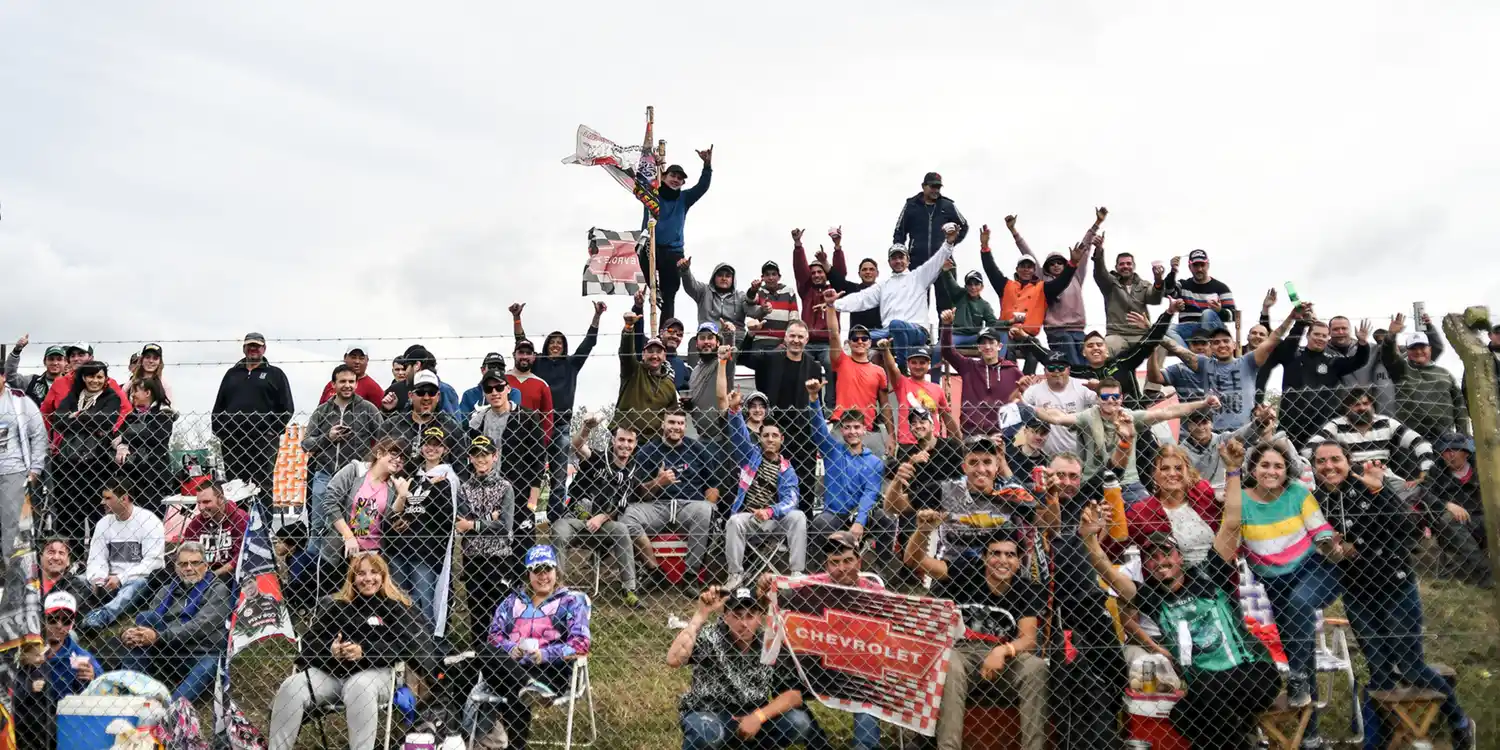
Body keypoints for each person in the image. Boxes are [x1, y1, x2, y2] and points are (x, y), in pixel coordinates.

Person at [1084, 440, 1284, 750]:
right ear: (1145, 564)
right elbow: (1108, 569)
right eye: (1154, 557)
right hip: (1210, 684)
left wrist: (1233, 469)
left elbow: (1232, 521)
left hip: (1251, 672)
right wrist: (1091, 538)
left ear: (1181, 556)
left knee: (1198, 698)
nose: (1162, 562)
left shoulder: (1211, 577)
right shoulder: (1154, 597)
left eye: (1168, 554)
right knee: (1185, 713)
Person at [1309, 441, 1476, 750]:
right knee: (1379, 671)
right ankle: (1375, 743)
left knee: (1411, 666)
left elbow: (1405, 529)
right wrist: (1336, 548)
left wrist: (1378, 493)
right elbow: (1324, 545)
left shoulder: (1370, 485)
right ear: (1314, 467)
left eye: (1336, 459)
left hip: (1395, 588)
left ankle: (1459, 720)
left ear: (1348, 462)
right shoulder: (1316, 501)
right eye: (1321, 461)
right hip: (1358, 595)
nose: (1329, 466)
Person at [268, 551, 437, 750]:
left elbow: (407, 645)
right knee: (292, 686)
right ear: (353, 578)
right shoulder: (338, 606)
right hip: (332, 674)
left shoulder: (396, 606)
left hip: (376, 674)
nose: (368, 579)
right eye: (361, 573)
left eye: (374, 573)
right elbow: (309, 642)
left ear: (383, 576)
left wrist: (364, 651)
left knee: (359, 686)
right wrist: (331, 650)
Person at [909, 520, 1047, 750]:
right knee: (948, 662)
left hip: (1005, 660)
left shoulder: (1025, 589)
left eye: (1010, 555)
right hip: (962, 653)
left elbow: (1029, 639)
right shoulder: (965, 573)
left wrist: (1003, 650)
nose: (1003, 560)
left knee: (1037, 667)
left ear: (1018, 560)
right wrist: (923, 528)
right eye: (996, 553)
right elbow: (915, 560)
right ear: (984, 557)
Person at [1237, 441, 1341, 741]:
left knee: (1299, 606)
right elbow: (1233, 538)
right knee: (1303, 655)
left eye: (1278, 466)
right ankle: (1311, 736)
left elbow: (1320, 530)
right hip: (1274, 584)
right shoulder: (1241, 500)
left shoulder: (1298, 493)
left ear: (1287, 471)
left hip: (1314, 570)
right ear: (1252, 469)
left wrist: (1332, 548)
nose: (1271, 471)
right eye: (1265, 465)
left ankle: (1296, 678)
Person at [469, 545, 593, 750]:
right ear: (529, 574)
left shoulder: (570, 601)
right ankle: (528, 686)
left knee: (511, 686)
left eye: (548, 569)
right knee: (484, 650)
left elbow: (580, 643)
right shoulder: (512, 602)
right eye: (537, 570)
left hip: (549, 671)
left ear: (556, 571)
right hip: (514, 666)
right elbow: (494, 636)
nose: (543, 576)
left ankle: (517, 745)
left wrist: (544, 654)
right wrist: (511, 648)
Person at [667, 586, 816, 750]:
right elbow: (673, 659)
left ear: (759, 618)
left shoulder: (769, 645)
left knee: (798, 721)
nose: (743, 624)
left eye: (750, 616)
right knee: (707, 733)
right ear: (725, 617)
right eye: (736, 616)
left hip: (753, 713)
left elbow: (793, 695)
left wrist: (758, 717)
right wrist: (700, 615)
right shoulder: (710, 636)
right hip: (710, 712)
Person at [1032, 377, 1220, 501]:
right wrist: (1031, 408)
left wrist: (1203, 403)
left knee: (1149, 516)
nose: (1111, 400)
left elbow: (1168, 412)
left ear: (1121, 398)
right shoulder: (1087, 417)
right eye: (1106, 396)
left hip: (1129, 483)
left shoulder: (1130, 416)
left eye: (1115, 396)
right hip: (1094, 483)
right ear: (1098, 398)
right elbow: (1057, 417)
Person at [833, 223, 962, 370]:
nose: (898, 261)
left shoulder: (919, 277)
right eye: (894, 258)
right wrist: (834, 304)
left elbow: (937, 260)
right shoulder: (883, 285)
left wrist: (949, 242)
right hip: (889, 333)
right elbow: (860, 298)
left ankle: (901, 367)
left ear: (908, 260)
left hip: (917, 332)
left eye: (901, 257)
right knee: (857, 337)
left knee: (896, 324)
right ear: (889, 262)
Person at [515, 300, 605, 507]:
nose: (556, 345)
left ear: (564, 347)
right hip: (536, 425)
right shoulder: (537, 363)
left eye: (560, 343)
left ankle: (555, 514)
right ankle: (525, 511)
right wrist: (517, 318)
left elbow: (589, 342)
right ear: (546, 346)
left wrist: (597, 316)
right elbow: (521, 343)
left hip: (561, 425)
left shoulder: (571, 364)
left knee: (559, 473)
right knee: (529, 470)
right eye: (552, 342)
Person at [116, 541, 231, 702]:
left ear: (205, 565)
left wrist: (157, 637)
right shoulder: (166, 590)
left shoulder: (218, 590)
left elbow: (199, 627)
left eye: (195, 563)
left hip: (200, 652)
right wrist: (129, 633)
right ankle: (130, 697)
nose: (189, 568)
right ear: (176, 568)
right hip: (167, 650)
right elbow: (149, 623)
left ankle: (170, 711)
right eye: (183, 564)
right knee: (146, 618)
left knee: (209, 665)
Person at [551, 414, 644, 608]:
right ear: (613, 441)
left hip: (603, 528)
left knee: (621, 530)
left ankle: (629, 589)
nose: (625, 445)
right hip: (575, 521)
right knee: (558, 530)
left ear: (635, 444)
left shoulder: (633, 472)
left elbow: (621, 505)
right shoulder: (598, 458)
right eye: (621, 439)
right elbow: (577, 446)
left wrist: (602, 517)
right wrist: (586, 428)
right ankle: (556, 588)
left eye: (629, 441)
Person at [1159, 306, 1303, 430]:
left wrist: (1291, 317)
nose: (1221, 345)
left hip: (1243, 431)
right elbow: (1177, 349)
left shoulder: (1248, 362)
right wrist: (1154, 330)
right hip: (1214, 433)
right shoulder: (1204, 364)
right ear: (1211, 347)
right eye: (1216, 342)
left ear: (1234, 345)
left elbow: (1274, 338)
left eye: (1226, 341)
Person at [1014, 300, 1185, 404]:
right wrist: (1025, 338)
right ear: (1083, 353)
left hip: (1132, 419)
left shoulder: (1123, 362)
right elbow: (1049, 358)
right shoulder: (1079, 372)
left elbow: (1149, 342)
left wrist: (1168, 313)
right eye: (1090, 346)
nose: (1095, 348)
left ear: (1107, 350)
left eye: (1099, 345)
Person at [624, 408, 719, 586]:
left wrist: (709, 507)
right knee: (627, 516)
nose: (676, 427)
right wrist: (658, 482)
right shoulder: (648, 450)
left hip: (690, 505)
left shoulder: (698, 449)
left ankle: (690, 576)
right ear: (663, 424)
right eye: (671, 422)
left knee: (707, 511)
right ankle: (655, 572)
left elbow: (712, 487)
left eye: (680, 423)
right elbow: (641, 494)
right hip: (658, 506)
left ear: (685, 426)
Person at [723, 390, 807, 587]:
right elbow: (739, 436)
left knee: (798, 516)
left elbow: (792, 499)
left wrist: (771, 511)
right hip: (749, 519)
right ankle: (735, 575)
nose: (770, 439)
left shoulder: (787, 469)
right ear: (760, 438)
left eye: (774, 436)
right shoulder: (749, 456)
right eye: (766, 435)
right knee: (734, 521)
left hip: (774, 521)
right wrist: (735, 410)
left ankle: (797, 573)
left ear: (781, 439)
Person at [737, 319, 824, 497]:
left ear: (807, 340)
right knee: (772, 485)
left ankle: (804, 521)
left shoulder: (813, 366)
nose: (796, 340)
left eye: (800, 337)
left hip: (803, 436)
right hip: (773, 432)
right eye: (792, 335)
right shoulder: (771, 359)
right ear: (785, 337)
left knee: (804, 486)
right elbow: (743, 357)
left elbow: (817, 403)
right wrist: (751, 334)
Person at [385, 427, 461, 631]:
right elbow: (402, 509)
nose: (432, 448)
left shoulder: (448, 478)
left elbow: (444, 515)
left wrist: (415, 494)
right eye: (428, 443)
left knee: (423, 601)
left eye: (437, 444)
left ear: (445, 449)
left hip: (426, 551)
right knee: (399, 599)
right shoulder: (413, 475)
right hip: (400, 546)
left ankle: (427, 650)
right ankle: (400, 645)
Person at [50, 359, 128, 547]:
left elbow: (105, 422)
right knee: (68, 513)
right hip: (68, 463)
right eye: (91, 376)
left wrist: (75, 417)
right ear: (84, 377)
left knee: (96, 512)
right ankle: (72, 557)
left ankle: (97, 555)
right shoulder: (73, 396)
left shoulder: (111, 397)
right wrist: (87, 420)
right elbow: (57, 420)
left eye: (100, 376)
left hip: (97, 463)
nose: (95, 380)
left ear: (105, 378)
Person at [12, 592, 101, 749]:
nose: (59, 625)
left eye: (66, 620)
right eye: (53, 618)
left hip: (63, 723)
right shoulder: (24, 647)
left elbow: (104, 685)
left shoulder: (81, 656)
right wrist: (23, 662)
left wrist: (94, 677)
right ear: (42, 619)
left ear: (72, 624)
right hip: (25, 719)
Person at [804, 380, 886, 545]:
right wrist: (814, 398)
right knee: (820, 523)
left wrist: (859, 522)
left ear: (864, 429)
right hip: (834, 515)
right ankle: (820, 567)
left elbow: (870, 494)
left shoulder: (875, 462)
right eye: (847, 427)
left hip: (861, 514)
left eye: (856, 427)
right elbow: (818, 429)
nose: (852, 432)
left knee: (886, 520)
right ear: (841, 430)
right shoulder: (832, 451)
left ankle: (881, 566)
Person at [1269, 315, 1371, 447]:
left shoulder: (1333, 360)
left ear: (1328, 338)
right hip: (1292, 425)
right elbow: (1289, 344)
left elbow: (1358, 361)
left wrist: (1362, 344)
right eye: (1316, 334)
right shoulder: (1293, 355)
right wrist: (1300, 324)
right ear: (1308, 335)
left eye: (1324, 336)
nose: (1320, 338)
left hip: (1322, 427)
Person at [456, 435, 520, 647]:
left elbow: (504, 526)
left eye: (485, 454)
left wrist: (475, 525)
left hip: (499, 557)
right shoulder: (464, 489)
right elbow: (462, 522)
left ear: (495, 456)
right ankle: (479, 659)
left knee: (500, 610)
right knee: (477, 612)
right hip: (473, 557)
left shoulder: (505, 487)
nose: (481, 459)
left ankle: (502, 657)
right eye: (476, 455)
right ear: (470, 458)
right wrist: (489, 519)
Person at [211, 332, 295, 492]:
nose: (253, 349)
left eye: (257, 346)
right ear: (244, 348)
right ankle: (239, 517)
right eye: (250, 346)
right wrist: (221, 432)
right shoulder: (231, 374)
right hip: (232, 440)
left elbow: (287, 407)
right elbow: (218, 406)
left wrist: (272, 430)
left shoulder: (275, 374)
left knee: (262, 485)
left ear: (264, 349)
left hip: (263, 441)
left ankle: (264, 518)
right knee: (234, 486)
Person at [1303, 386, 1434, 489]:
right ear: (1347, 408)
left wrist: (1426, 470)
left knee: (1413, 493)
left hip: (1384, 477)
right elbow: (1308, 450)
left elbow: (1420, 443)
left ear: (1372, 405)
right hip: (1352, 478)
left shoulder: (1386, 423)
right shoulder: (1337, 425)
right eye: (1356, 405)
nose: (1362, 408)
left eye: (1366, 403)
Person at [1020, 208, 1104, 366]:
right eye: (1052, 264)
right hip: (1057, 331)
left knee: (1087, 360)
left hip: (1078, 331)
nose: (1056, 266)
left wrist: (1097, 224)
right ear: (1047, 267)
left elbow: (1084, 250)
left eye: (1059, 262)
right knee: (1071, 360)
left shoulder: (1076, 276)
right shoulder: (1044, 281)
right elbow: (1028, 254)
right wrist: (1015, 232)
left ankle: (1087, 387)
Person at [304, 364, 383, 531]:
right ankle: (316, 557)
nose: (347, 385)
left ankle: (357, 556)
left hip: (358, 477)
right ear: (333, 385)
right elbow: (306, 444)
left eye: (351, 381)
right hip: (325, 474)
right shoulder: (321, 411)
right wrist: (328, 437)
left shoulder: (368, 409)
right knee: (318, 526)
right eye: (342, 381)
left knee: (361, 526)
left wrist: (371, 465)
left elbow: (383, 439)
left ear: (356, 384)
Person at [80, 482, 166, 631]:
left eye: (107, 498)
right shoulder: (103, 523)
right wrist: (98, 578)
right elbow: (96, 558)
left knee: (137, 585)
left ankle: (103, 616)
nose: (102, 502)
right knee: (79, 580)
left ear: (124, 499)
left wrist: (121, 578)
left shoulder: (149, 521)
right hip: (107, 579)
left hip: (135, 580)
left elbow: (153, 562)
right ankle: (72, 616)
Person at [646, 147, 714, 323]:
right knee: (641, 249)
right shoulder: (651, 193)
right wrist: (654, 162)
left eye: (680, 178)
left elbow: (702, 187)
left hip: (674, 251)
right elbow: (642, 175)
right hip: (652, 244)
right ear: (665, 176)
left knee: (670, 294)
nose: (676, 180)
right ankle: (654, 288)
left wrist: (707, 165)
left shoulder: (684, 198)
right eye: (673, 176)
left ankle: (664, 333)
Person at [1124, 445, 1222, 566]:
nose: (1172, 473)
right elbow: (1111, 548)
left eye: (1178, 468)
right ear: (1154, 474)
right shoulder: (1141, 511)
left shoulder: (1204, 493)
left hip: (1218, 572)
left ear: (1188, 471)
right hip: (1170, 581)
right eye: (1164, 468)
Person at [823, 290, 892, 452]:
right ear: (849, 342)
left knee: (872, 474)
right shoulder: (841, 361)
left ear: (870, 343)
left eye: (864, 338)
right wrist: (831, 306)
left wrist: (891, 435)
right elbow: (833, 335)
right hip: (842, 427)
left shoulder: (879, 371)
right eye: (855, 338)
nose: (859, 341)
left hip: (867, 429)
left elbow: (885, 405)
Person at [1383, 314, 1469, 442]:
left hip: (1445, 437)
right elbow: (1388, 356)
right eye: (1413, 348)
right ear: (1407, 350)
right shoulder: (1401, 370)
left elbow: (1459, 405)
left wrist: (1463, 435)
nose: (1418, 352)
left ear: (1430, 349)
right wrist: (1391, 336)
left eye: (1422, 347)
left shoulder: (1445, 374)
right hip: (1411, 437)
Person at [939, 311, 1023, 436]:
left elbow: (1028, 396)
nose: (987, 346)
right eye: (983, 343)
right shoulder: (968, 366)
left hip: (1002, 436)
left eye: (991, 342)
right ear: (978, 347)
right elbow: (947, 352)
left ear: (999, 346)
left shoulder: (1012, 370)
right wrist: (947, 325)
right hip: (972, 434)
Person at [1427, 433, 1491, 587]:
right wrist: (1447, 505)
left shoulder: (1482, 467)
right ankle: (1485, 572)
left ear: (1466, 452)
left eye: (1454, 450)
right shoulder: (1436, 472)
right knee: (1448, 519)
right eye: (1445, 451)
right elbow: (1425, 494)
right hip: (1455, 525)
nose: (1449, 455)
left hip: (1485, 518)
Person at [883, 402, 966, 517]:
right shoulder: (908, 453)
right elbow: (890, 470)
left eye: (922, 422)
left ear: (932, 426)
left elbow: (962, 477)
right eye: (913, 423)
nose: (917, 426)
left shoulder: (951, 446)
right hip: (917, 508)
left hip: (948, 504)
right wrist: (911, 463)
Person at [0, 362, 45, 560]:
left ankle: (17, 576)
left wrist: (35, 468)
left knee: (15, 526)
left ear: (3, 377)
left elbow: (39, 434)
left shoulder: (19, 400)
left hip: (14, 470)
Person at [380, 370, 466, 473]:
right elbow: (378, 461)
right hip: (396, 485)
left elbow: (461, 470)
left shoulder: (451, 428)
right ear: (411, 395)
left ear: (438, 396)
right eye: (420, 392)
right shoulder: (391, 425)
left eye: (431, 392)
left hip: (439, 487)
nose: (426, 397)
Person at [116, 377, 177, 515]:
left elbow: (156, 437)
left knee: (153, 518)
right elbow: (116, 437)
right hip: (130, 475)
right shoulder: (130, 416)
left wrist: (126, 437)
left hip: (155, 476)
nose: (132, 395)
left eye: (136, 391)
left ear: (147, 393)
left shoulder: (164, 414)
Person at [616, 313, 679, 440]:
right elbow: (626, 353)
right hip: (625, 438)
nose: (654, 356)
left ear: (664, 356)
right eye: (650, 351)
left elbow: (672, 414)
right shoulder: (633, 370)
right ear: (643, 355)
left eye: (658, 352)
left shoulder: (669, 384)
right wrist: (628, 328)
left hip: (653, 444)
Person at [1094, 244, 1166, 354]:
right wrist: (1099, 252)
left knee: (1161, 346)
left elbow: (1155, 299)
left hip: (1140, 333)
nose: (1125, 266)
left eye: (1128, 263)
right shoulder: (1109, 284)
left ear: (1134, 266)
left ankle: (1155, 371)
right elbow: (1100, 272)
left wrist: (1158, 281)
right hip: (1116, 334)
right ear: (1116, 267)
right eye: (1121, 264)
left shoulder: (1144, 285)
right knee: (1106, 348)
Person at [1021, 353, 1098, 455]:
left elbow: (1104, 403)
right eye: (1051, 368)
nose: (1056, 371)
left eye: (1061, 368)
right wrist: (1019, 390)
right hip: (1047, 456)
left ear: (1068, 369)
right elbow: (1019, 407)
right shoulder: (1034, 389)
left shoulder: (1083, 385)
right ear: (1045, 371)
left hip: (1080, 452)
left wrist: (1099, 388)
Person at [1162, 248, 1238, 345]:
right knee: (1165, 328)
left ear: (1208, 265)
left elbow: (1234, 316)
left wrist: (1219, 310)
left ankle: (1205, 350)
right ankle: (1190, 357)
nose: (1199, 269)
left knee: (1207, 313)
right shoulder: (1183, 285)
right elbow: (1168, 291)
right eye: (1195, 265)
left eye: (1202, 265)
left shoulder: (1221, 288)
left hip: (1213, 331)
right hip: (1188, 329)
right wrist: (1173, 271)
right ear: (1190, 267)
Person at [790, 228, 844, 365]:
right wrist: (798, 244)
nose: (816, 275)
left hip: (828, 343)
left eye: (820, 272)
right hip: (806, 343)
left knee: (830, 363)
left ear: (826, 274)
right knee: (799, 364)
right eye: (813, 273)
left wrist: (837, 247)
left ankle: (831, 388)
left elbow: (840, 272)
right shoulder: (806, 290)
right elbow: (800, 270)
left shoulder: (833, 291)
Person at [680, 259, 764, 343]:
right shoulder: (704, 291)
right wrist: (685, 270)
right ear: (714, 277)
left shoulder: (740, 296)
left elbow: (752, 310)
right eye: (720, 275)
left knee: (746, 349)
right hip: (709, 338)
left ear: (733, 279)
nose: (724, 278)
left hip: (736, 340)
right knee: (693, 343)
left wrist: (764, 309)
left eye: (727, 276)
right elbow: (690, 285)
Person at [180, 480, 249, 579]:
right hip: (200, 571)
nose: (201, 508)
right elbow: (185, 551)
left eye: (206, 502)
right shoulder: (196, 523)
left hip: (229, 573)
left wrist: (215, 574)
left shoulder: (240, 518)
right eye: (198, 503)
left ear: (221, 499)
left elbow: (241, 556)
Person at [938, 264, 1002, 348]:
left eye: (976, 284)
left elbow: (993, 323)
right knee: (939, 348)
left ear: (982, 287)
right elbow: (950, 282)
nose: (973, 287)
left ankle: (1000, 361)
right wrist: (946, 271)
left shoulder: (985, 305)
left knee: (997, 338)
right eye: (970, 284)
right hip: (956, 335)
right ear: (965, 286)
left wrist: (1009, 322)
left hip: (975, 337)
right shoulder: (959, 295)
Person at [6, 335, 68, 405]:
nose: (55, 363)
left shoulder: (71, 384)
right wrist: (16, 351)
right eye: (51, 359)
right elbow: (10, 377)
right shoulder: (32, 380)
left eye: (59, 359)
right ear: (44, 362)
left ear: (65, 362)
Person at [319, 344, 387, 405]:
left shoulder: (373, 387)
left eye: (361, 358)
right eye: (353, 357)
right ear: (345, 357)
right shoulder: (331, 384)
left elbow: (383, 413)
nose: (357, 361)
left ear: (367, 360)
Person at [458, 352, 509, 420]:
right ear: (482, 370)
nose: (496, 370)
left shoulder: (513, 392)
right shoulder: (469, 395)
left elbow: (513, 417)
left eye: (500, 368)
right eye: (492, 367)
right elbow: (463, 422)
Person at [39, 537, 90, 604]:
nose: (56, 557)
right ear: (41, 557)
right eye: (51, 552)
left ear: (68, 560)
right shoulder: (29, 582)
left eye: (61, 553)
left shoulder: (76, 587)